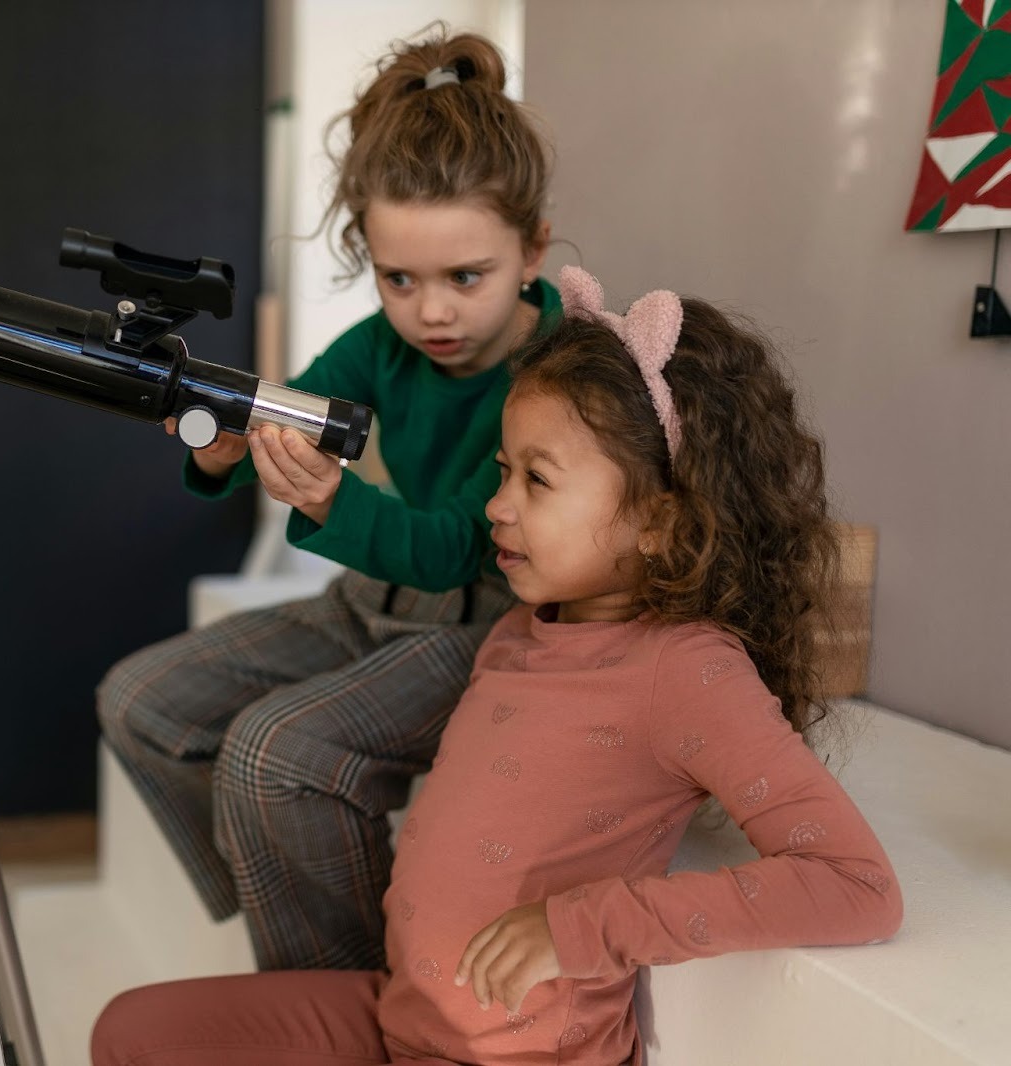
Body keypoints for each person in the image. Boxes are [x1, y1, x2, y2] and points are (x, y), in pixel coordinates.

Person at [89, 265, 903, 1066]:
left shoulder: (689, 672)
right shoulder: (519, 628)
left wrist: (580, 926)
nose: (497, 505)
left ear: (659, 521)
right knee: (128, 1033)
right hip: (398, 1018)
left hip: (502, 1055)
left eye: (536, 481)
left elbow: (856, 885)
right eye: (504, 471)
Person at [97, 27, 560, 972]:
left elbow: (447, 550)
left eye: (465, 277)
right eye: (399, 279)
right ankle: (293, 902)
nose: (431, 312)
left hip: (482, 630)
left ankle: (349, 990)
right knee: (140, 699)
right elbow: (285, 411)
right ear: (372, 258)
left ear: (533, 251)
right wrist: (227, 447)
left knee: (271, 752)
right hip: (367, 608)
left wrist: (331, 505)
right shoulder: (380, 345)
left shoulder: (554, 372)